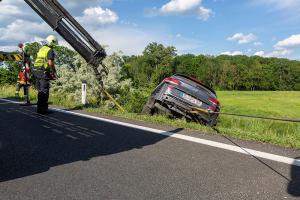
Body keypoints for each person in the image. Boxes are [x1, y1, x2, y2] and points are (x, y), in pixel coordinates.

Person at [32, 35, 58, 114]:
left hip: (36, 71)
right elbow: (50, 63)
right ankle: (43, 110)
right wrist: (54, 71)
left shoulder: (41, 49)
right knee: (45, 90)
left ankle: (39, 109)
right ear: (52, 42)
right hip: (43, 71)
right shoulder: (50, 50)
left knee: (40, 91)